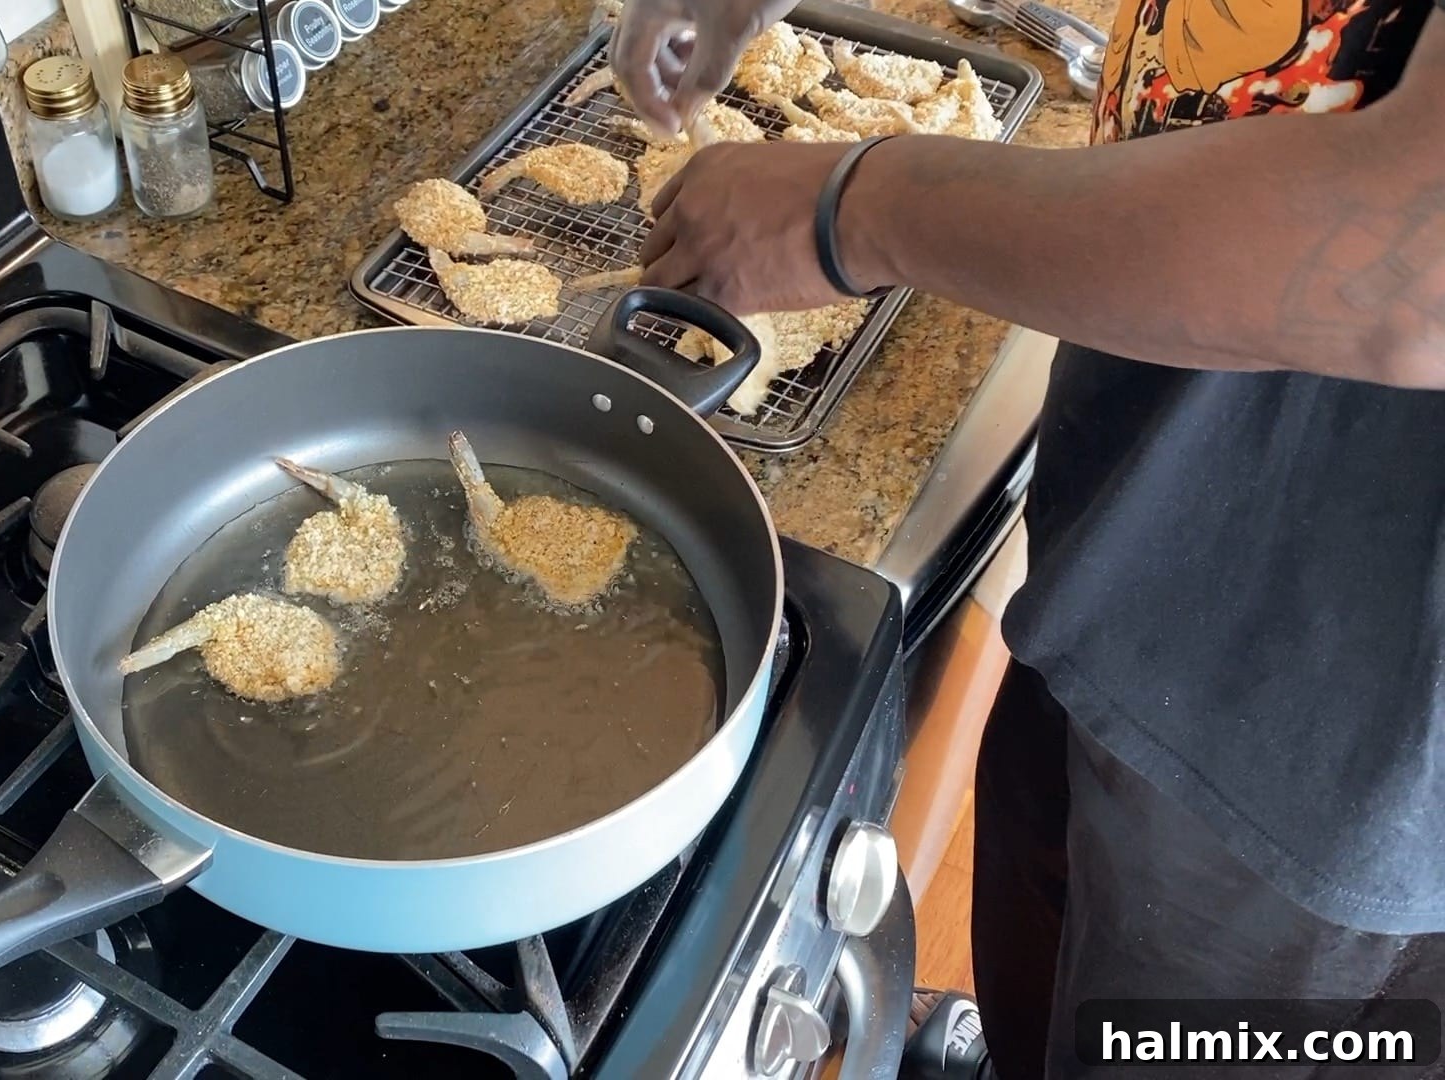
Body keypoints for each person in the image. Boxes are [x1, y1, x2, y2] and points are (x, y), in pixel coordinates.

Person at [608, 0, 1445, 1076]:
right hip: (1147, 506)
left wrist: (855, 211)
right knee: (1041, 940)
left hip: (1329, 709)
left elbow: (1416, 259)